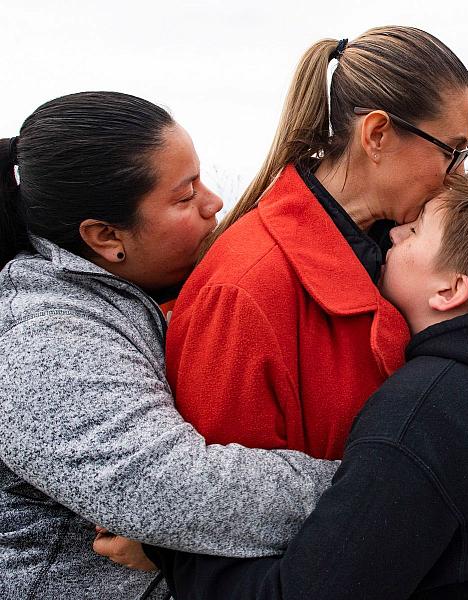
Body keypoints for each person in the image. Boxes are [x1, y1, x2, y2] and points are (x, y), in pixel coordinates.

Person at [148, 172, 468, 599]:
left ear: (450, 291)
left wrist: (170, 551)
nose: (394, 232)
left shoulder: (425, 412)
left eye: (415, 232)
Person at [0, 92, 337, 600]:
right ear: (106, 236)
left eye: (201, 179)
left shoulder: (117, 298)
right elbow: (176, 491)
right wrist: (382, 483)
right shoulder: (39, 338)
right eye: (184, 197)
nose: (214, 203)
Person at [166, 26, 468, 459]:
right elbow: (225, 509)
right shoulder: (244, 290)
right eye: (452, 150)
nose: (458, 174)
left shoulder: (403, 250)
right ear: (377, 135)